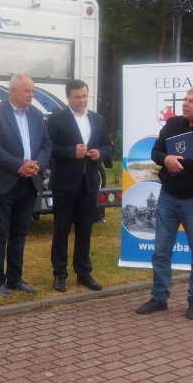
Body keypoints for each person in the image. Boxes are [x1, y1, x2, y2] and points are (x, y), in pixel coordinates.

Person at [136, 86, 193, 320]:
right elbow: (156, 151)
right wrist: (166, 159)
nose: (185, 104)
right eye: (185, 100)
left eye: (191, 101)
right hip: (168, 196)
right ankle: (159, 297)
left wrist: (183, 163)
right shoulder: (172, 124)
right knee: (161, 251)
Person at [0, 73, 52, 297]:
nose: (32, 94)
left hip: (30, 183)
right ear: (13, 91)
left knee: (20, 233)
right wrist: (19, 165)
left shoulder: (36, 114)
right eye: (27, 90)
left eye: (33, 90)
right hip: (4, 182)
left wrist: (37, 164)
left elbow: (47, 143)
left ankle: (15, 278)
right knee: (0, 233)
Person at [47, 79, 113, 292]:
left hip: (89, 183)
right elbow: (48, 148)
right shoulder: (57, 119)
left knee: (85, 230)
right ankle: (59, 274)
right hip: (65, 183)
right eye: (77, 96)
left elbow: (106, 145)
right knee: (61, 230)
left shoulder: (97, 118)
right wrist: (70, 152)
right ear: (68, 97)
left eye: (85, 96)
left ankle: (83, 272)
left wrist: (100, 153)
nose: (82, 100)